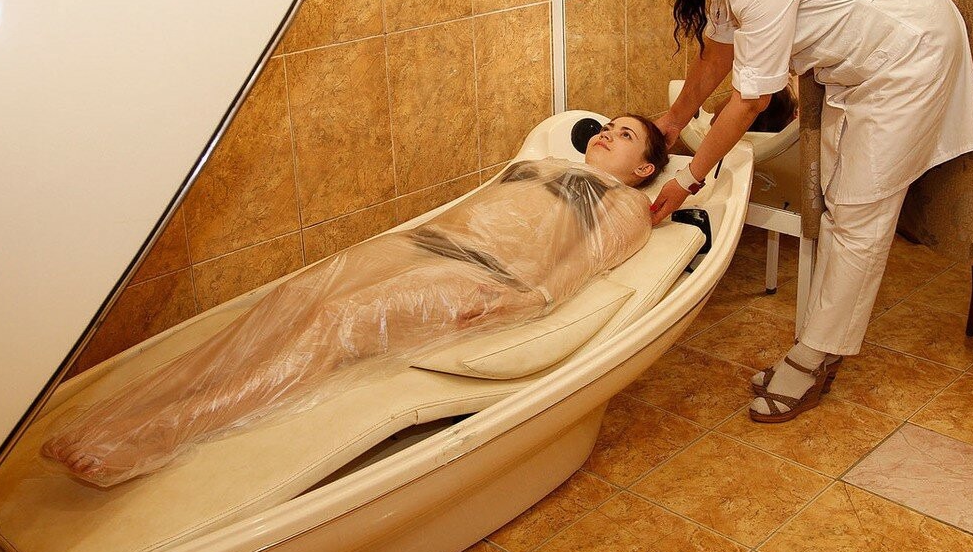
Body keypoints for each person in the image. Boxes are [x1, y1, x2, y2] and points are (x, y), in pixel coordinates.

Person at [43, 116, 670, 486]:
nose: (606, 134)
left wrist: (519, 303)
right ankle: (130, 409)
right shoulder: (540, 166)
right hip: (422, 245)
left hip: (478, 274)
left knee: (334, 321)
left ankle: (158, 432)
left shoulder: (623, 205)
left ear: (644, 169)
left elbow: (572, 273)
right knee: (291, 299)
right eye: (607, 126)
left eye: (625, 135)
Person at [623, 0, 973, 423]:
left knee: (858, 213)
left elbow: (750, 100)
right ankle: (822, 343)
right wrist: (672, 121)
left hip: (909, 57)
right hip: (863, 65)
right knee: (841, 204)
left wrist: (690, 179)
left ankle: (814, 357)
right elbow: (719, 51)